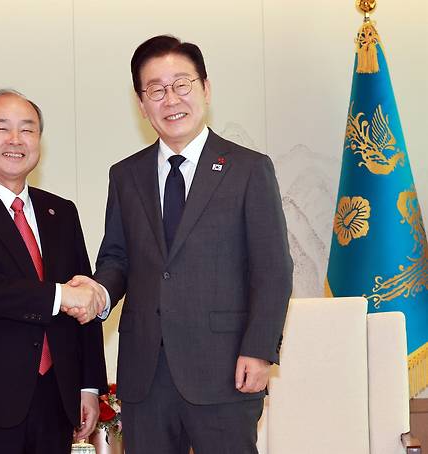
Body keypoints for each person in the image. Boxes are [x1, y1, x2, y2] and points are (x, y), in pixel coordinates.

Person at [71, 35, 293, 453]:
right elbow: (117, 258)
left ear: (205, 89)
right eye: (156, 89)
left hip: (226, 367)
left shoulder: (248, 169)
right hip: (145, 373)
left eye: (181, 84)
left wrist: (260, 350)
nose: (170, 99)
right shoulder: (125, 175)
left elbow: (273, 269)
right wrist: (99, 293)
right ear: (142, 104)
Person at [0, 89, 108, 454]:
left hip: (56, 399)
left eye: (27, 129)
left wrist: (89, 387)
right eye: (1, 128)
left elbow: (83, 296)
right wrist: (60, 295)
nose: (15, 139)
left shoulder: (62, 212)